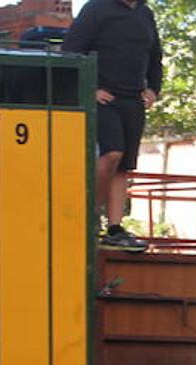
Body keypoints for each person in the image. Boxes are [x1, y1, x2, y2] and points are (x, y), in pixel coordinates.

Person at [64, 0, 163, 252]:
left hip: (134, 100)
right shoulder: (96, 8)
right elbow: (71, 50)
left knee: (124, 165)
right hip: (103, 98)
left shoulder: (145, 13)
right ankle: (91, 217)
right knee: (111, 154)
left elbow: (155, 56)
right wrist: (90, 88)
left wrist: (153, 89)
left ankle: (115, 229)